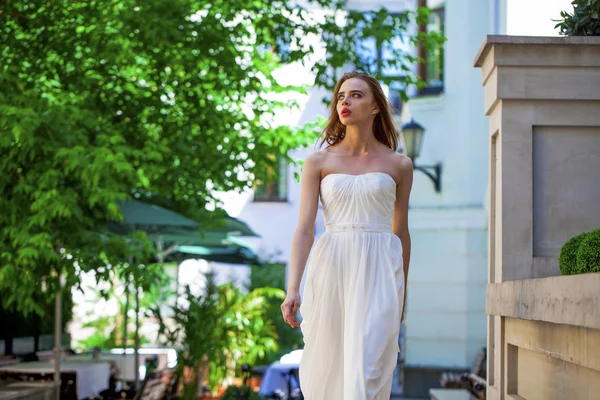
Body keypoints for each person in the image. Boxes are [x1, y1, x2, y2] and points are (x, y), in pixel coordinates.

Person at [280, 71, 413, 399]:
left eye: (355, 95)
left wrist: (403, 294)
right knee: (329, 368)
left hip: (380, 272)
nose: (345, 102)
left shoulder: (400, 165)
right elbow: (303, 229)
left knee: (368, 369)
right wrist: (292, 287)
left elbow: (401, 231)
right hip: (332, 270)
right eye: (341, 96)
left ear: (375, 108)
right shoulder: (318, 162)